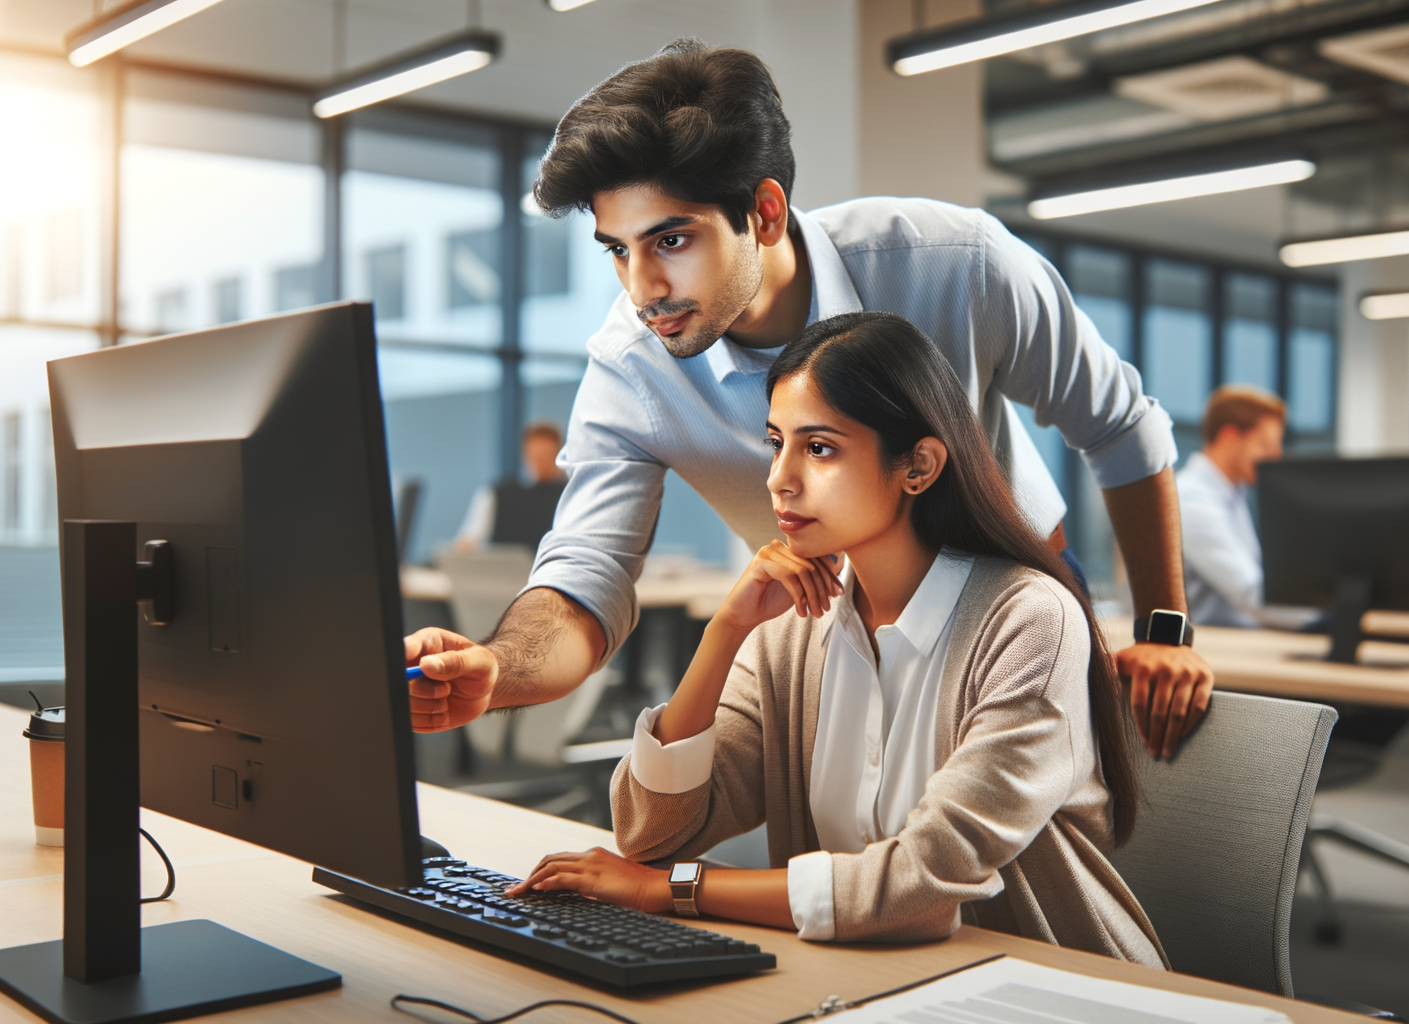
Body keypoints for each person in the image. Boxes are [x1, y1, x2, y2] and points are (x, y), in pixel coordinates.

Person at [406, 40, 1210, 760]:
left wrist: (1163, 631)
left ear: (763, 212)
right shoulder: (632, 366)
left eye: (671, 240)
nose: (643, 289)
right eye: (619, 251)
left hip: (1019, 593)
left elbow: (1119, 427)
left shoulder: (954, 264)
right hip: (845, 622)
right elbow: (588, 573)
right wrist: (496, 670)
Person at [503, 311, 1164, 966]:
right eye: (775, 442)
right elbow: (652, 833)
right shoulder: (789, 631)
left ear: (920, 465)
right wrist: (726, 633)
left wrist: (675, 892)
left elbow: (917, 885)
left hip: (1052, 990)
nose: (778, 478)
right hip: (871, 983)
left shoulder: (1028, 620)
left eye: (818, 448)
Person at [1175, 385, 1313, 629]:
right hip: (1210, 647)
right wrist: (1328, 616)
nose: (1275, 456)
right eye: (1265, 445)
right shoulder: (1191, 499)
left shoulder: (1232, 495)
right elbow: (1251, 592)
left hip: (1236, 638)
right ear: (1229, 437)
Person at [453, 421, 570, 554]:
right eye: (535, 456)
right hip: (503, 571)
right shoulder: (496, 494)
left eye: (546, 456)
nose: (540, 463)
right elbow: (468, 540)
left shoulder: (570, 496)